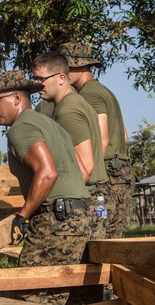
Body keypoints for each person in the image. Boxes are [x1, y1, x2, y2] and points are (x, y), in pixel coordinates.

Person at [0, 70, 94, 268]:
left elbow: (48, 173)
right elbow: (82, 173)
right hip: (83, 217)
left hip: (55, 220)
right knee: (76, 294)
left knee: (32, 294)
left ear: (16, 98)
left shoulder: (20, 128)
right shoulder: (53, 126)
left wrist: (23, 215)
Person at [31, 52, 109, 240]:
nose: (36, 85)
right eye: (34, 78)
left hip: (89, 197)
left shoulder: (68, 111)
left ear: (61, 78)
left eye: (41, 79)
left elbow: (85, 168)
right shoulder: (73, 102)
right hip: (96, 195)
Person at [60, 42, 134, 238]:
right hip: (120, 169)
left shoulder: (89, 94)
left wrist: (89, 173)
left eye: (68, 67)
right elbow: (124, 137)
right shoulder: (103, 90)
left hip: (109, 171)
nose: (64, 72)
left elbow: (101, 139)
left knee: (103, 233)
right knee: (114, 233)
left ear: (83, 66)